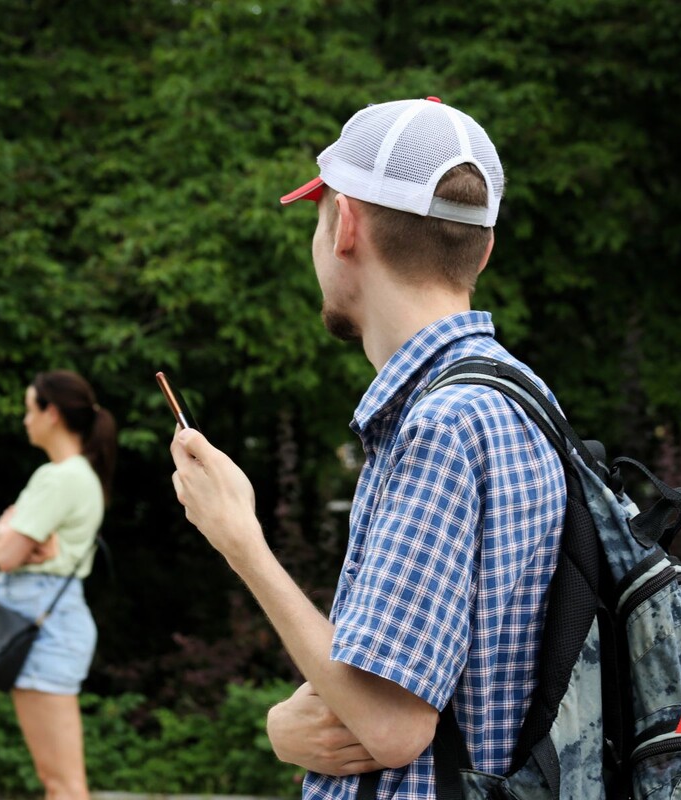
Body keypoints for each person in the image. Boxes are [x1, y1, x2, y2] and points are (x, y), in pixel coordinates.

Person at [169, 96, 568, 800]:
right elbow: (424, 676)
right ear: (483, 249)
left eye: (319, 219)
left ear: (345, 225)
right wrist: (288, 726)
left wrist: (240, 541)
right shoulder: (518, 396)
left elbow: (391, 726)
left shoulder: (442, 425)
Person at [0, 369, 116, 800]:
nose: (25, 420)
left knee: (63, 785)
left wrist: (4, 532)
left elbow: (4, 553)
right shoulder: (75, 475)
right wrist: (4, 537)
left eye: (29, 409)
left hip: (45, 627)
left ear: (51, 413)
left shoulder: (60, 477)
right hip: (50, 621)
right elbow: (4, 545)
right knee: (58, 781)